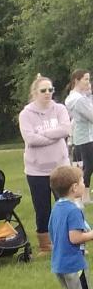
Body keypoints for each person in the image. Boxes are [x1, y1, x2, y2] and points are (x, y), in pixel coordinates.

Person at [38, 165, 93, 289]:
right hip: (74, 263)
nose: (84, 184)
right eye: (82, 181)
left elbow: (53, 232)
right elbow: (75, 237)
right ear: (74, 187)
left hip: (59, 261)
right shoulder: (74, 210)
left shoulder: (57, 208)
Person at [18, 75, 71, 253]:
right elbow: (30, 139)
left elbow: (66, 129)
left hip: (61, 168)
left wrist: (44, 135)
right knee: (42, 209)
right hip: (37, 170)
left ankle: (70, 241)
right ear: (35, 92)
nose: (48, 93)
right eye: (43, 90)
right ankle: (46, 245)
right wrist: (54, 136)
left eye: (50, 89)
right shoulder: (26, 114)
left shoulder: (60, 109)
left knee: (66, 206)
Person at [64, 68, 93, 196]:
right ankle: (84, 195)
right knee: (88, 166)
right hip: (86, 136)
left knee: (85, 166)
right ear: (77, 80)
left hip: (81, 136)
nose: (88, 82)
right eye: (86, 79)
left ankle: (83, 194)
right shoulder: (79, 99)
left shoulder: (75, 97)